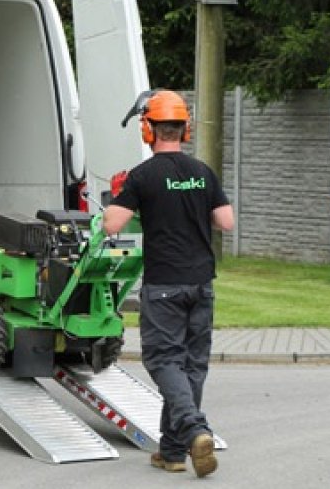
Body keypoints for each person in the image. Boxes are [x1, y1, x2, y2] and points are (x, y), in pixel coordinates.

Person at [103, 90, 234, 478]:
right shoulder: (202, 172)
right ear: (185, 129)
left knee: (163, 360)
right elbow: (225, 222)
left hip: (164, 286)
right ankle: (174, 452)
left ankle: (195, 429)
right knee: (191, 365)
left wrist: (120, 194)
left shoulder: (142, 176)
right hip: (201, 284)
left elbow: (111, 224)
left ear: (149, 129)